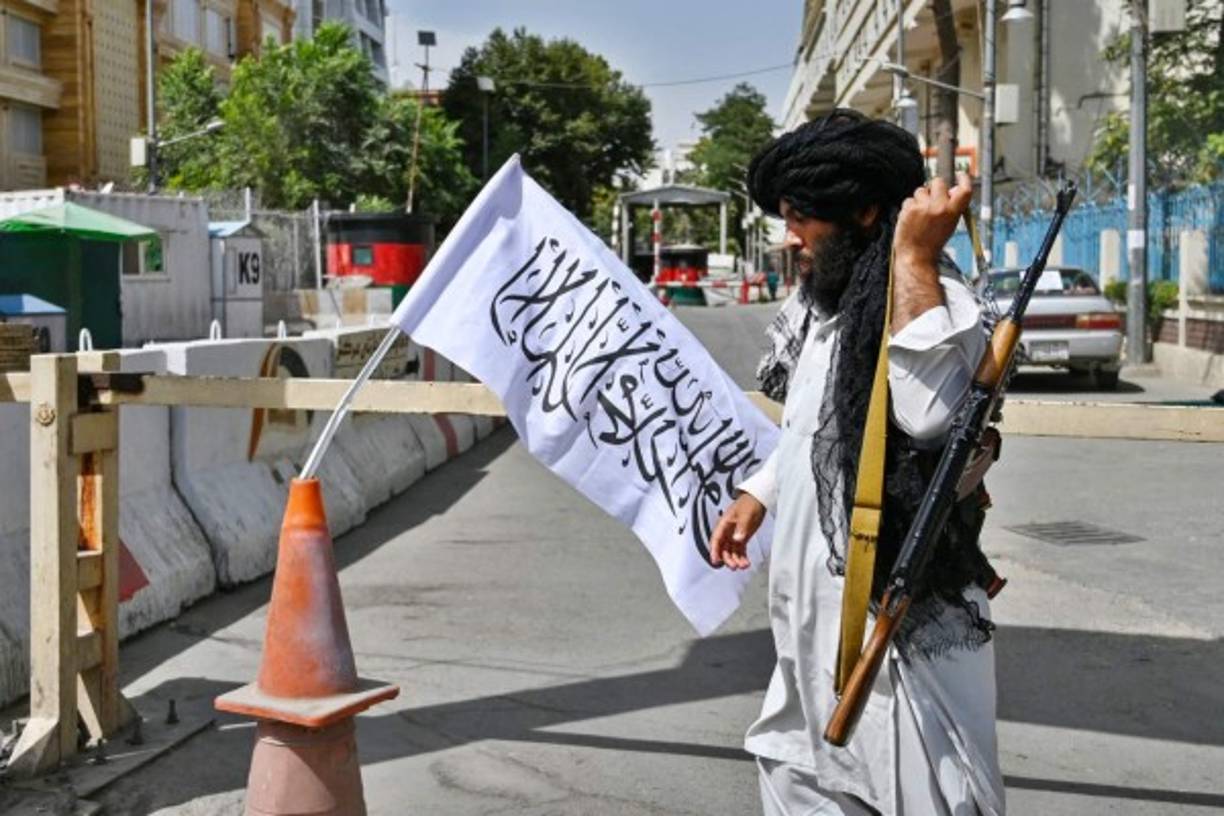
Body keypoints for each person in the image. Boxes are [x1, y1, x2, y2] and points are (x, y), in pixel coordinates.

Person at [709, 110, 1006, 815]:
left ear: (867, 212)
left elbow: (931, 417)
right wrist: (759, 493)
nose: (790, 238)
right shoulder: (827, 313)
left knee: (920, 797)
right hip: (810, 618)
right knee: (791, 771)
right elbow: (816, 435)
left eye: (801, 218)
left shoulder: (940, 303)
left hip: (895, 630)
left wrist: (913, 260)